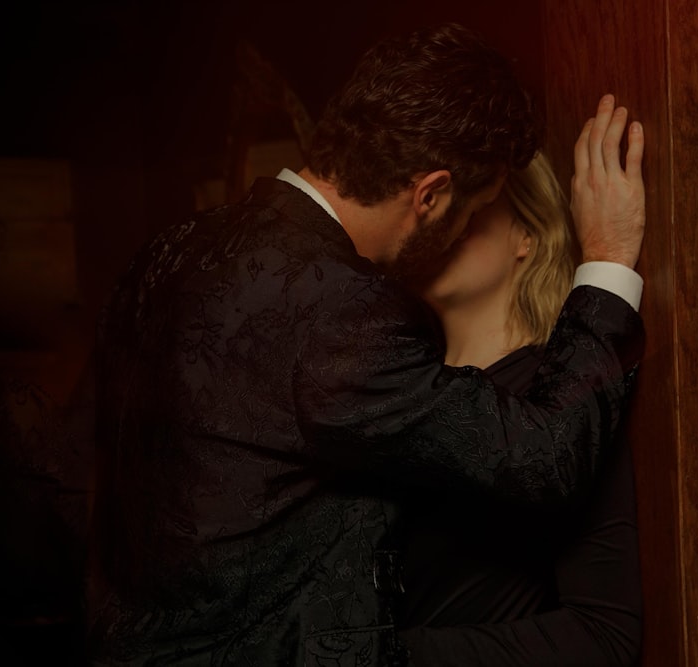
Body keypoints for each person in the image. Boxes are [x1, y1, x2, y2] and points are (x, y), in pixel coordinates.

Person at [87, 23, 646, 665]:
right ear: (430, 195)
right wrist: (607, 259)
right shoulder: (343, 311)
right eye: (466, 211)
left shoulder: (166, 254)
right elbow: (546, 455)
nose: (459, 231)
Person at [397, 152, 642, 665]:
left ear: (526, 235)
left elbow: (605, 632)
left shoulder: (561, 400)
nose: (444, 217)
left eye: (473, 200)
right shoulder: (396, 389)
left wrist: (386, 656)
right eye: (434, 199)